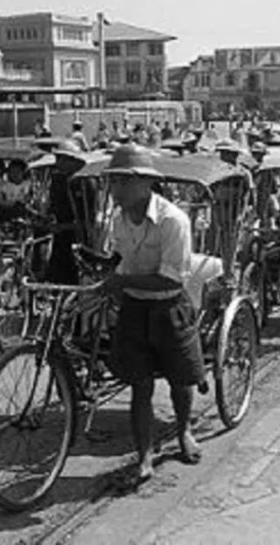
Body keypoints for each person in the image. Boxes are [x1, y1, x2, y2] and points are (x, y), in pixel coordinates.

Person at [102, 145, 204, 487]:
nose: (115, 190)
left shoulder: (173, 221)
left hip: (169, 305)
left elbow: (169, 278)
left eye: (121, 182)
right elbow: (119, 256)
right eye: (113, 182)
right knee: (140, 385)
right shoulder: (118, 220)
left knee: (180, 379)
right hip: (134, 307)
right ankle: (144, 454)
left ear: (144, 184)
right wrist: (107, 274)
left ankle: (184, 430)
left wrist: (121, 281)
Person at [46, 140, 90, 284]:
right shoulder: (58, 181)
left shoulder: (86, 183)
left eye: (61, 158)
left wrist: (66, 227)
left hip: (81, 240)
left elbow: (90, 219)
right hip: (61, 239)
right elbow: (55, 208)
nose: (57, 163)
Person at [0, 159, 31, 224]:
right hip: (7, 212)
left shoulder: (28, 185)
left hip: (23, 213)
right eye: (12, 171)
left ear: (23, 172)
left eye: (18, 171)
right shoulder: (4, 186)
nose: (15, 174)